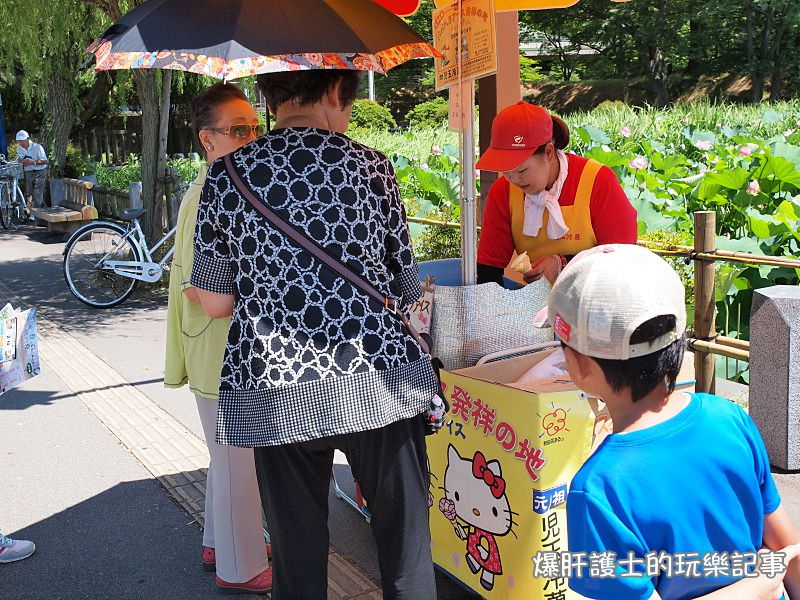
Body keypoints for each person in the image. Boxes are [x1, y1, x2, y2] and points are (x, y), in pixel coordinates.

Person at [190, 69, 440, 600]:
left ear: (269, 95)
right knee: (406, 552)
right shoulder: (370, 165)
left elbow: (216, 301)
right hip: (378, 379)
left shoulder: (226, 176)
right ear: (332, 93)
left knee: (298, 560)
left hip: (274, 388)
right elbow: (404, 283)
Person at [547, 243, 800, 599]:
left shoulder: (597, 490)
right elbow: (788, 551)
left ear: (580, 365)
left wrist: (752, 590)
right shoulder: (729, 418)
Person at [163, 82, 271, 594]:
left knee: (225, 456)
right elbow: (206, 292)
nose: (251, 138)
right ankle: (240, 566)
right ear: (208, 140)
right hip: (219, 343)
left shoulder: (215, 185)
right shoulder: (215, 190)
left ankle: (216, 541)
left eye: (254, 127)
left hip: (213, 341)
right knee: (235, 461)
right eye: (238, 130)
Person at [474, 102, 637, 286]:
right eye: (506, 171)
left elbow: (622, 256)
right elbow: (488, 270)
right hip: (538, 306)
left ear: (549, 152)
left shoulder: (597, 180)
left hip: (597, 299)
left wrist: (562, 264)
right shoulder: (502, 191)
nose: (513, 179)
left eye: (521, 171)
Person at [15, 130, 48, 217]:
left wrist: (32, 162)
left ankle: (36, 215)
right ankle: (40, 211)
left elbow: (45, 161)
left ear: (28, 139)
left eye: (22, 141)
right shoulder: (19, 149)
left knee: (37, 193)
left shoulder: (37, 147)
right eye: (19, 141)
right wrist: (21, 161)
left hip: (40, 171)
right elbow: (19, 160)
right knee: (31, 193)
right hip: (28, 172)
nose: (20, 143)